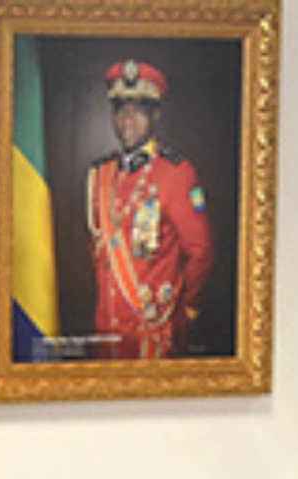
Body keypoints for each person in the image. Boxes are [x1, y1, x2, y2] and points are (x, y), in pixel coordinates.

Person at [87, 59, 215, 361]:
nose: (127, 119)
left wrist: (185, 309)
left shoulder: (176, 173)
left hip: (153, 330)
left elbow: (201, 251)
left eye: (138, 110)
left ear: (155, 114)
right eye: (120, 109)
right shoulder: (101, 174)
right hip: (106, 328)